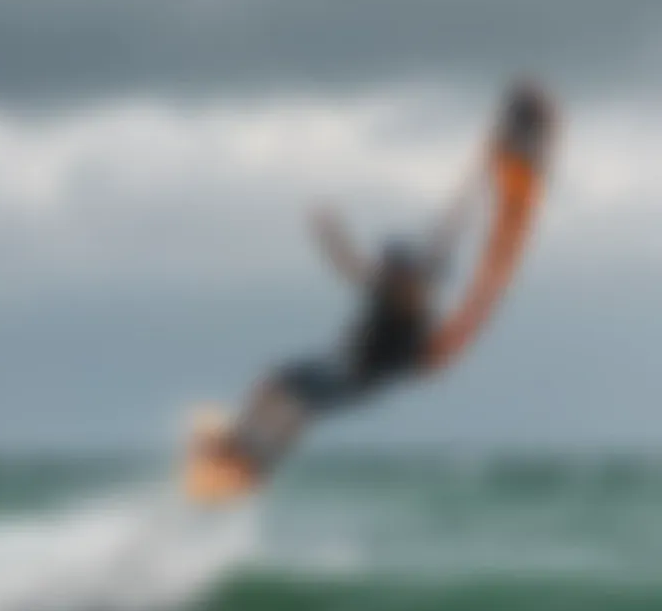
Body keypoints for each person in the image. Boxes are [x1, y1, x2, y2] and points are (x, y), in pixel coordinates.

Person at [198, 82, 556, 480]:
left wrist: (500, 165)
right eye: (393, 272)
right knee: (277, 387)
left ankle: (252, 459)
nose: (392, 277)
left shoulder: (416, 319)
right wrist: (330, 237)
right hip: (342, 362)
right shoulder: (394, 285)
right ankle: (243, 448)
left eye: (398, 273)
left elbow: (454, 245)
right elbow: (360, 264)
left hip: (356, 379)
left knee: (295, 400)